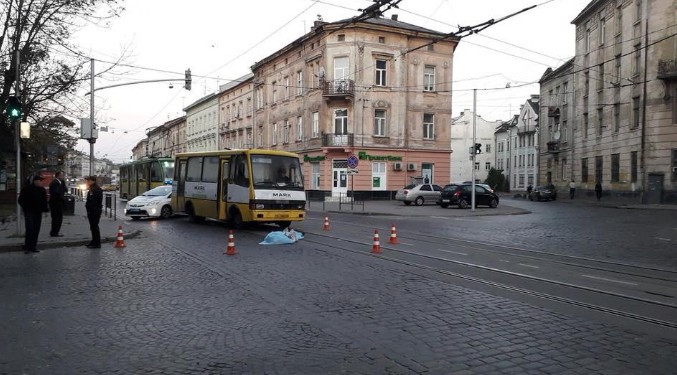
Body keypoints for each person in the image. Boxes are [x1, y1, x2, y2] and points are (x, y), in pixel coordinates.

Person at [18, 175, 49, 253]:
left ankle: (33, 246)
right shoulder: (27, 189)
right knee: (29, 229)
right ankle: (27, 246)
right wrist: (26, 208)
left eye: (41, 181)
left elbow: (44, 201)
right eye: (39, 181)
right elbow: (21, 200)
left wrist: (45, 210)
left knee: (36, 229)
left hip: (38, 212)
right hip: (29, 212)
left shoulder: (42, 190)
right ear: (34, 181)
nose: (40, 182)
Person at [85, 176, 103, 249]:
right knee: (93, 227)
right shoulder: (93, 188)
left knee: (94, 227)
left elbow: (93, 201)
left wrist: (89, 208)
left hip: (94, 211)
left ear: (92, 181)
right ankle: (94, 241)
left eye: (88, 181)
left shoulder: (95, 189)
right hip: (93, 210)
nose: (87, 182)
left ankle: (96, 243)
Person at [49, 171, 66, 237]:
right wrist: (62, 199)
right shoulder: (54, 183)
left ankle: (56, 231)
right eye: (62, 175)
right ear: (58, 176)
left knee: (59, 218)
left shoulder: (61, 182)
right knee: (56, 218)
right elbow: (56, 193)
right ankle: (54, 232)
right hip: (55, 203)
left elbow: (65, 190)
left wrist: (63, 184)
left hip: (58, 203)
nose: (63, 176)